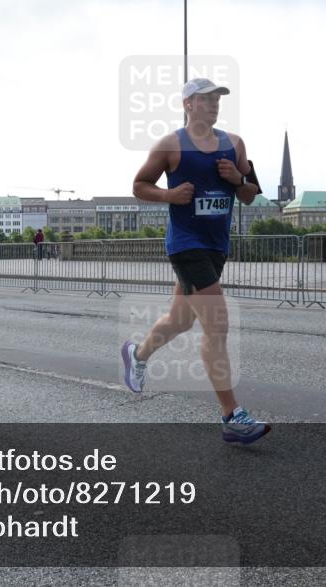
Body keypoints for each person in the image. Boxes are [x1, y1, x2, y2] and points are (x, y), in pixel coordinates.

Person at [122, 77, 270, 445]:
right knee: (216, 325)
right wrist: (170, 195)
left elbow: (251, 195)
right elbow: (140, 184)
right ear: (188, 104)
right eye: (205, 99)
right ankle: (232, 416)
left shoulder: (234, 144)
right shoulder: (171, 145)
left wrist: (238, 178)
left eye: (217, 99)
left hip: (216, 246)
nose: (214, 104)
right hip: (185, 245)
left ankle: (137, 355)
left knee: (180, 320)